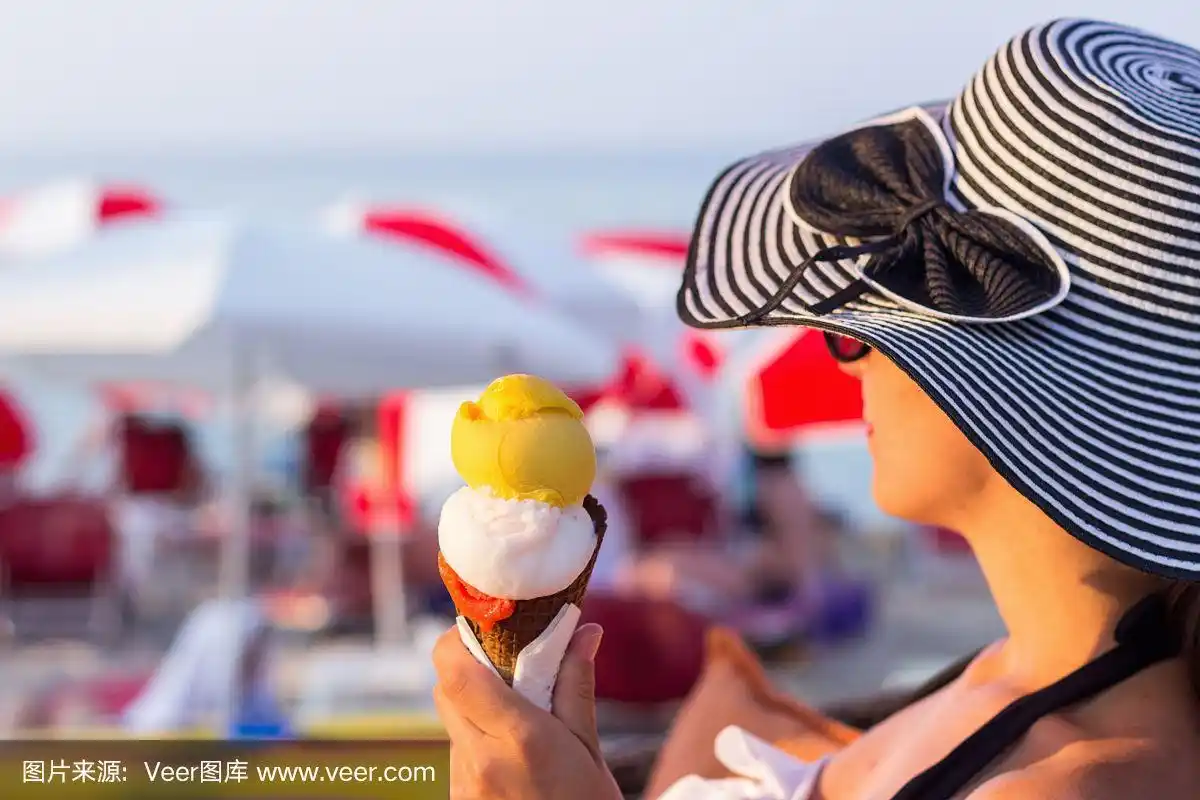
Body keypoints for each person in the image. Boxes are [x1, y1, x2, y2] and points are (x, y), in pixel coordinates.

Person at [431, 18, 1200, 799]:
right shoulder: (1003, 684)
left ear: (1023, 386)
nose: (849, 356)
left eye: (870, 329)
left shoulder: (1074, 781)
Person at [123, 599, 290, 738]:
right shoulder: (155, 727)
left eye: (257, 657)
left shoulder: (258, 713)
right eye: (248, 658)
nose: (254, 667)